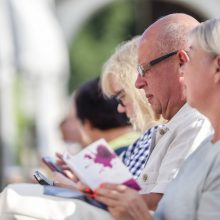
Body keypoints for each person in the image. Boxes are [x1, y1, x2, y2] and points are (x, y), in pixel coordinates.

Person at [0, 14, 213, 220]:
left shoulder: (194, 122)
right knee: (16, 198)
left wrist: (90, 193)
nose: (138, 83)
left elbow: (159, 204)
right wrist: (90, 190)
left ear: (182, 63)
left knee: (14, 199)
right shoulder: (179, 124)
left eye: (143, 69)